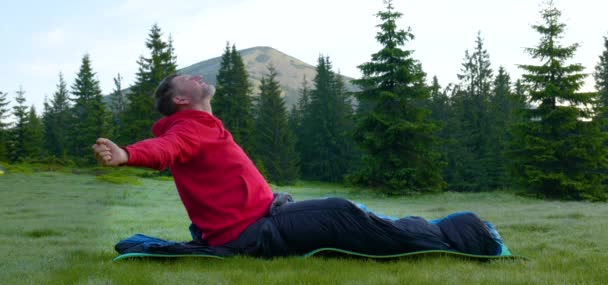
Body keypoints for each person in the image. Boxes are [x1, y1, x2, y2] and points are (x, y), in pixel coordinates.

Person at [93, 74, 502, 258]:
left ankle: (436, 230)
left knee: (347, 216)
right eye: (187, 78)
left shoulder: (202, 124)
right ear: (179, 98)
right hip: (253, 233)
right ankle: (463, 237)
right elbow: (166, 148)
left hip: (266, 216)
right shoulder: (188, 127)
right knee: (340, 212)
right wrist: (128, 154)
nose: (198, 77)